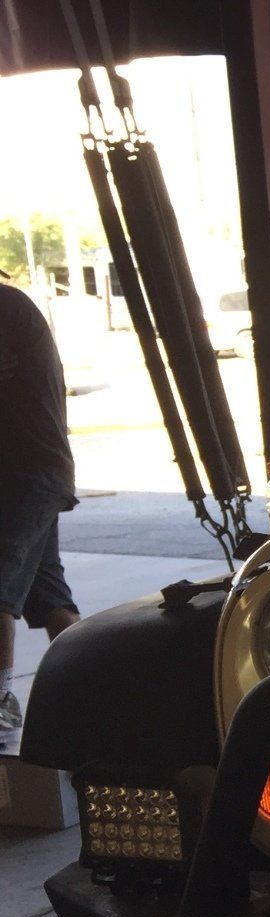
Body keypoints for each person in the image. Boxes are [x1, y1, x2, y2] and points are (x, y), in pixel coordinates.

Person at [0, 275, 82, 745]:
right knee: (48, 595)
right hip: (32, 473)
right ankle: (89, 694)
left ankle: (1, 699)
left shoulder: (5, 308)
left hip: (28, 474)